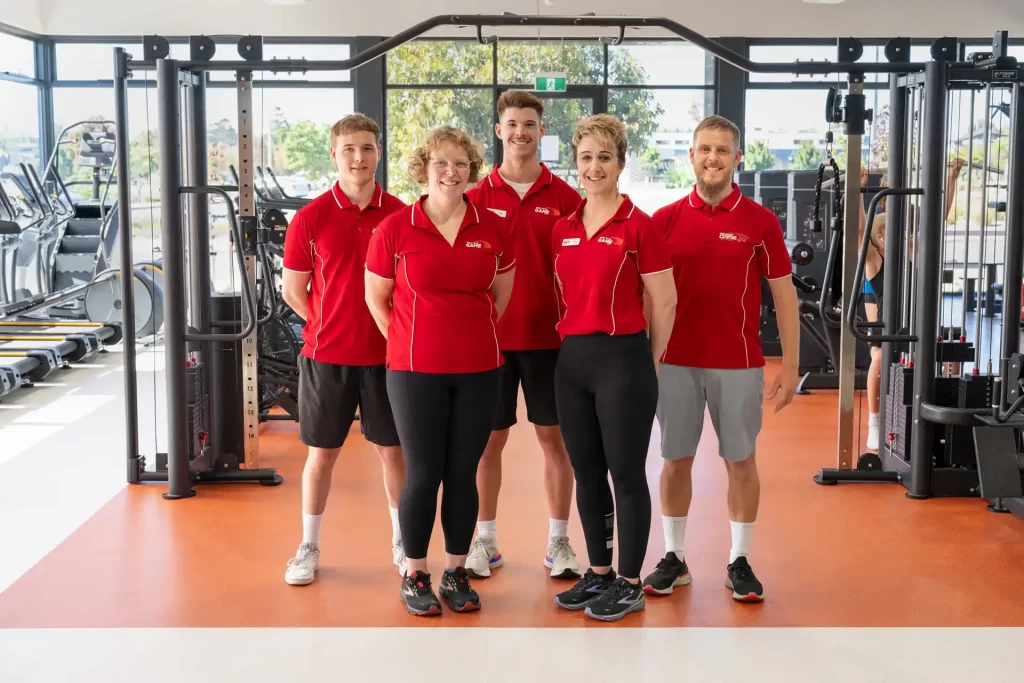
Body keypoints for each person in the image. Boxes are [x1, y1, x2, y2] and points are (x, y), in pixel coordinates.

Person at [641, 115, 798, 604]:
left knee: (741, 461)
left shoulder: (761, 222)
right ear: (690, 156)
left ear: (737, 158)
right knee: (674, 460)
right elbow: (647, 300)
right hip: (676, 362)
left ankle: (740, 560)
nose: (713, 158)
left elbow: (785, 297)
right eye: (704, 149)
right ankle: (674, 557)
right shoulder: (662, 221)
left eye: (722, 150)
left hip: (739, 361)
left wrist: (790, 366)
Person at [364, 125, 516, 616]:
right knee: (423, 473)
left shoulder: (493, 228)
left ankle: (454, 572)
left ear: (472, 170)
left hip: (479, 371)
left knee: (461, 471)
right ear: (423, 169)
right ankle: (415, 573)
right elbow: (376, 299)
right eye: (441, 163)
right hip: (412, 373)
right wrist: (408, 344)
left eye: (461, 164)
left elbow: (501, 296)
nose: (451, 173)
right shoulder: (394, 229)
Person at [548, 114, 678, 622]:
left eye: (605, 157)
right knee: (587, 474)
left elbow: (663, 303)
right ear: (576, 164)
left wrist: (648, 359)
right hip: (572, 362)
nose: (594, 166)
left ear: (621, 163)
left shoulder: (638, 226)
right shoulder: (562, 229)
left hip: (624, 359)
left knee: (625, 473)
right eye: (586, 157)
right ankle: (598, 572)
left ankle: (629, 582)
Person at [280, 113, 408, 586]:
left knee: (393, 454)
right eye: (349, 148)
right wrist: (324, 323)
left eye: (367, 148)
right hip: (326, 357)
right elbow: (294, 290)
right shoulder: (310, 218)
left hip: (387, 357)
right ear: (334, 154)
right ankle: (308, 546)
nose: (359, 157)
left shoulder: (399, 214)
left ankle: (402, 543)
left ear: (378, 153)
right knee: (321, 455)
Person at [464, 90, 583, 580]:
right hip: (488, 343)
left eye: (529, 124)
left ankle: (559, 541)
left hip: (550, 342)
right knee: (488, 444)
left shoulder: (566, 198)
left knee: (556, 442)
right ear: (499, 130)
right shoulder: (473, 197)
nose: (520, 132)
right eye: (512, 123)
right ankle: (484, 540)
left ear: (541, 131)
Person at [860, 158, 964, 450]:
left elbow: (936, 218)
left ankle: (948, 413)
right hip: (878, 289)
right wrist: (858, 186)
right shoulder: (880, 214)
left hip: (904, 286)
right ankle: (875, 421)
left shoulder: (911, 222)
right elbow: (862, 236)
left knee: (944, 349)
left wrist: (951, 177)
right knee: (879, 353)